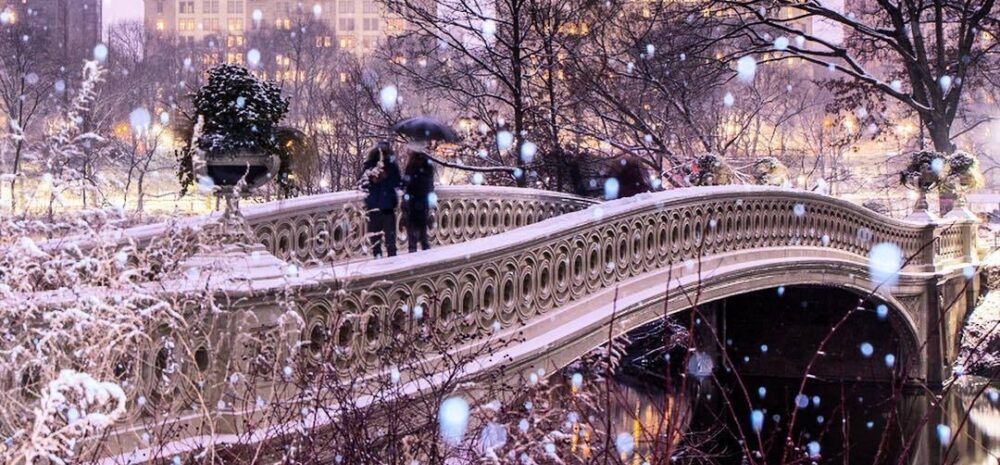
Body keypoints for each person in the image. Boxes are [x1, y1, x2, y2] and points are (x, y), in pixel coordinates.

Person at [360, 142, 401, 258]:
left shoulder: (369, 165)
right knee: (389, 240)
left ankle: (379, 259)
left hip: (375, 207)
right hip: (385, 207)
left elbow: (362, 183)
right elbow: (398, 183)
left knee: (377, 241)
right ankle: (390, 261)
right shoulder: (389, 166)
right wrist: (375, 179)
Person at [402, 147, 436, 253]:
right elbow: (430, 182)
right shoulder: (428, 164)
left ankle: (413, 247)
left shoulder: (411, 164)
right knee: (422, 223)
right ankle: (424, 246)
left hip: (412, 198)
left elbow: (406, 182)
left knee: (411, 223)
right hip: (422, 198)